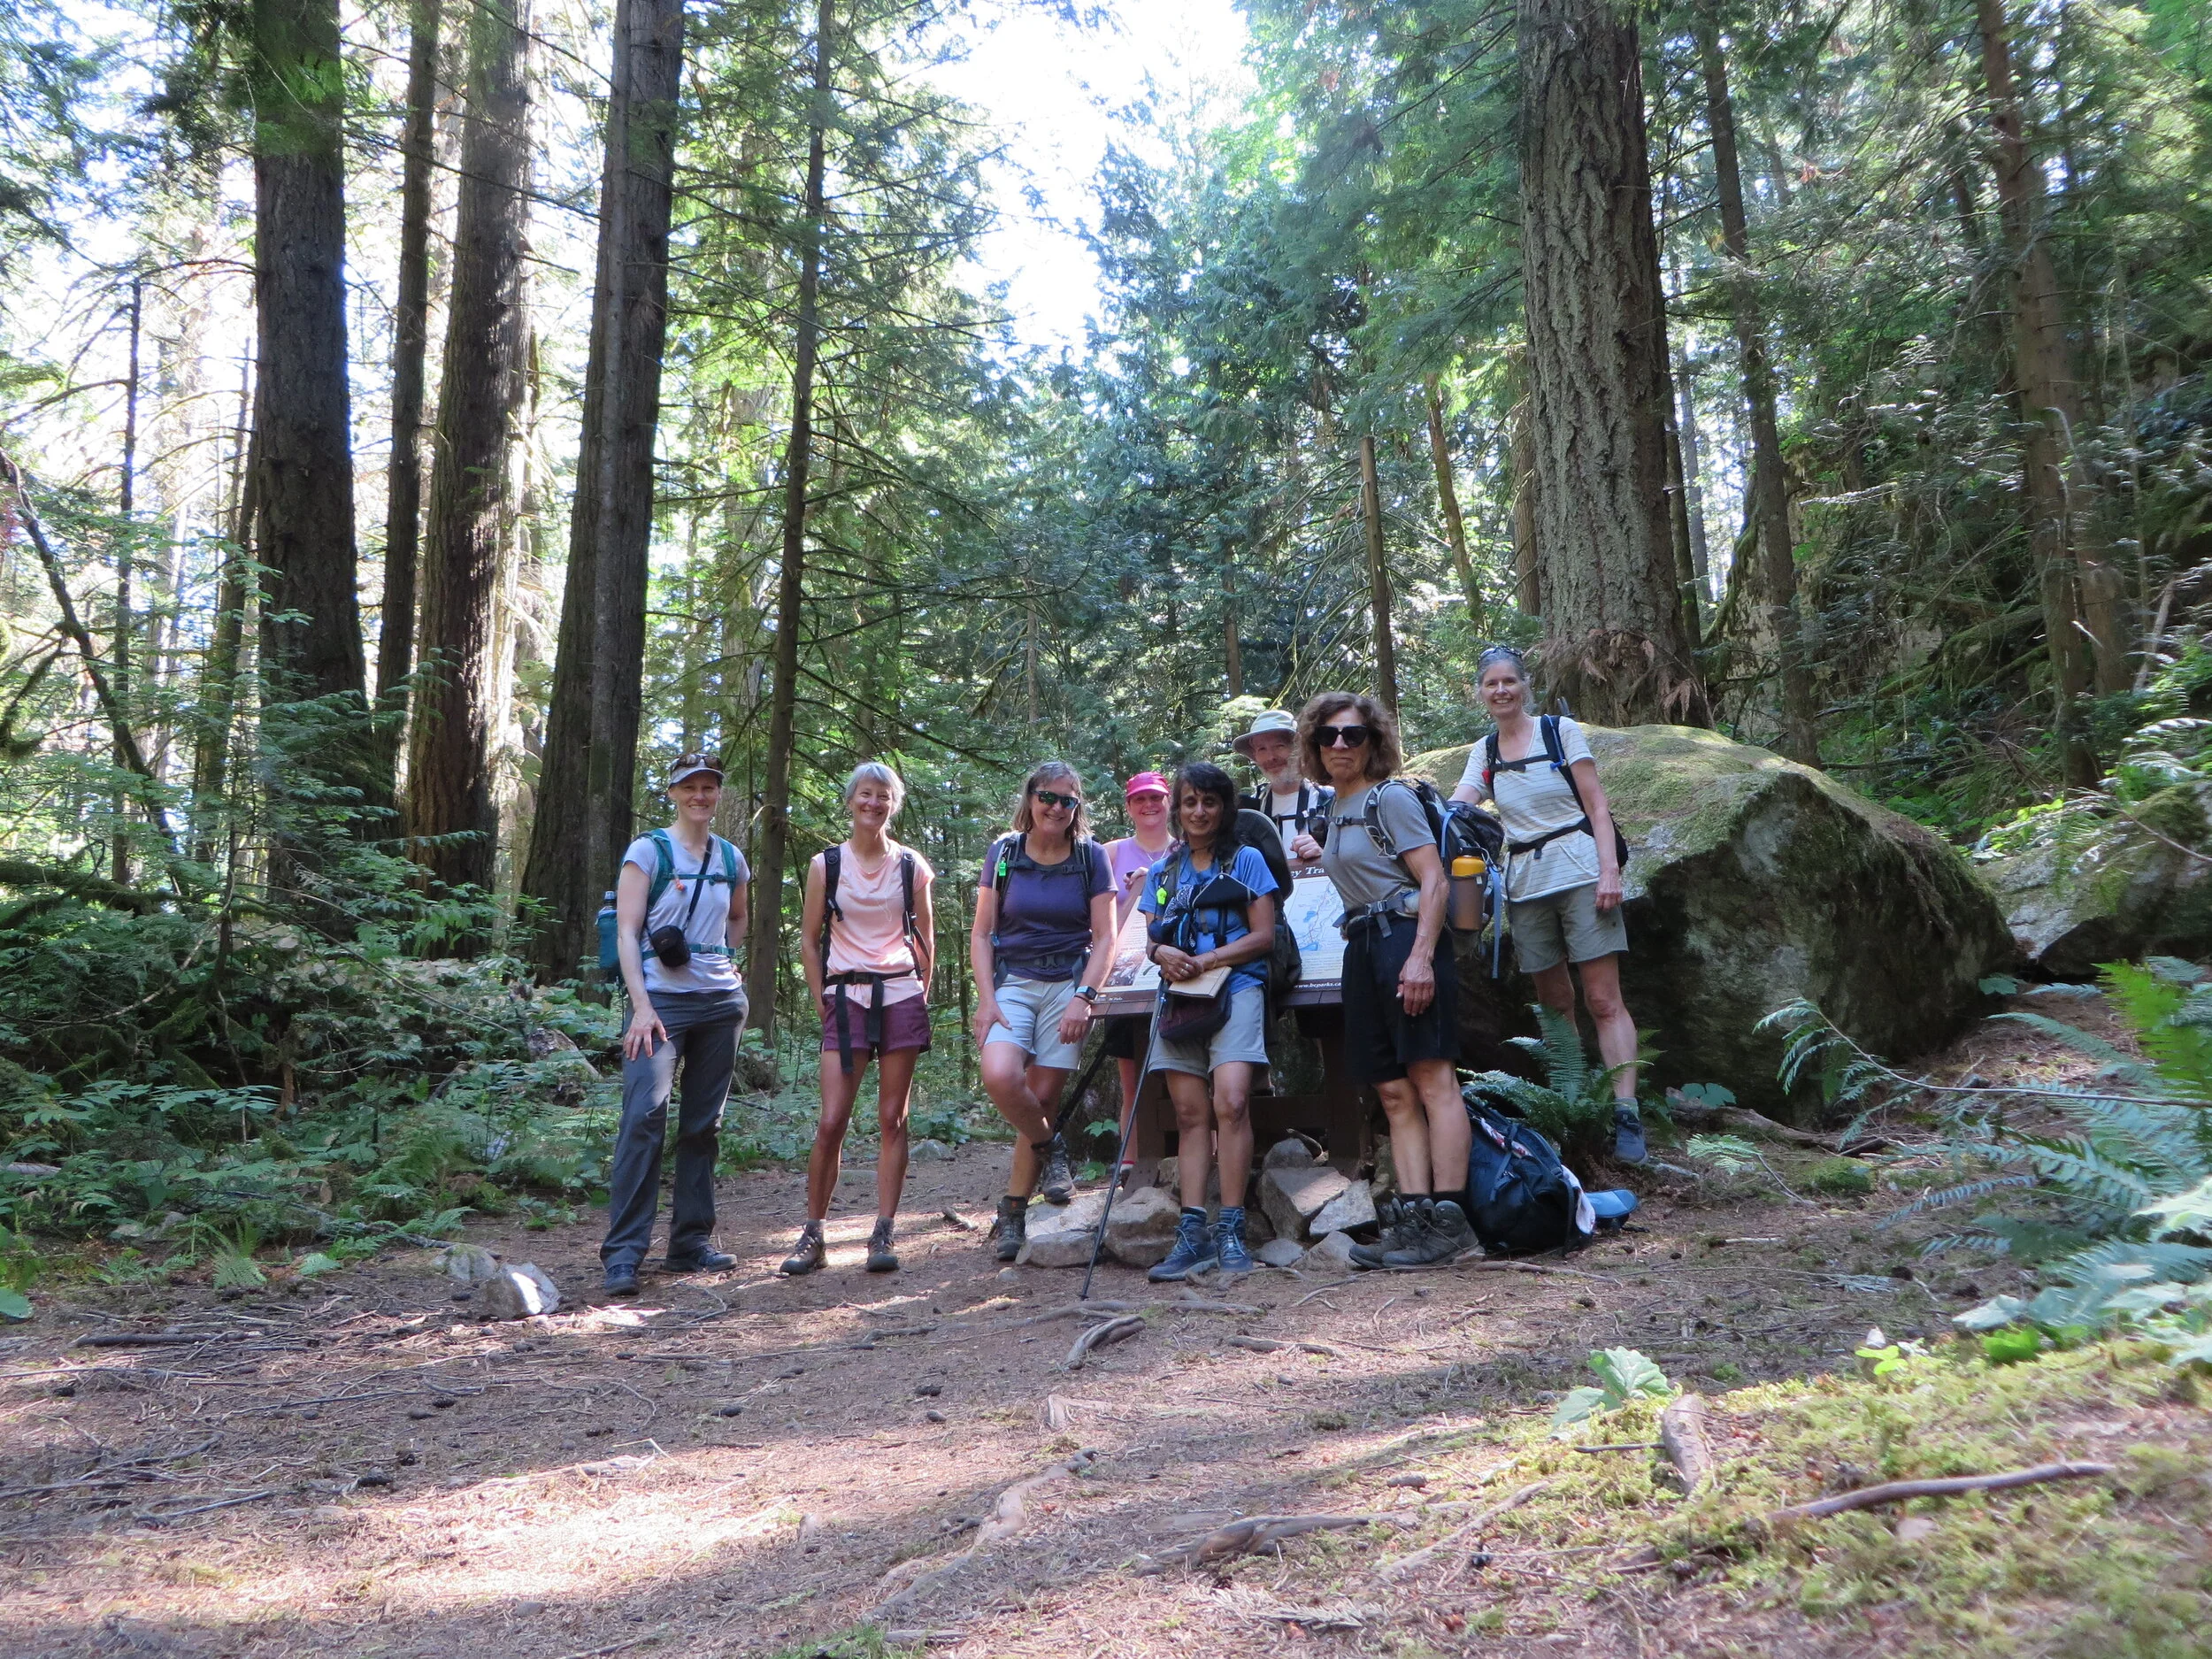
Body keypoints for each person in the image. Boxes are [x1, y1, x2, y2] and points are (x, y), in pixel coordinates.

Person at [1294, 693, 1477, 1269]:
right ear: (1314, 746)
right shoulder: (1334, 808)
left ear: (1373, 742)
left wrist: (1420, 958)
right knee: (1392, 1091)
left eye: (1353, 734)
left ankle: (1451, 1221)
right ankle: (1413, 1222)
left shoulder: (1390, 797)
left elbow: (1434, 881)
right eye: (1328, 736)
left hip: (1404, 938)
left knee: (1432, 1078)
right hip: (1362, 945)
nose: (1340, 745)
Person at [1451, 645, 1646, 1163]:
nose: (1501, 691)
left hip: (1581, 873)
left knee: (1603, 1000)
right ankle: (1573, 1106)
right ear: (1480, 692)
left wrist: (1609, 870)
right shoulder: (1485, 751)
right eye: (1491, 684)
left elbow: (1596, 804)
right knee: (1556, 1004)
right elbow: (1458, 807)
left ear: (1524, 686)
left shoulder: (1559, 732)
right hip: (1526, 885)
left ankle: (1625, 1112)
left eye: (1509, 681)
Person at [601, 754, 751, 1298]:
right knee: (644, 1118)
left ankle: (690, 1242)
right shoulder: (648, 851)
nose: (700, 796)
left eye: (709, 787)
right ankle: (623, 1255)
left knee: (703, 1125)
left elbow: (739, 916)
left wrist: (726, 959)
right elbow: (626, 932)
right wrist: (641, 1006)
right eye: (690, 787)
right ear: (672, 793)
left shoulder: (731, 857)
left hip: (721, 1004)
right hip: (660, 1004)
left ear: (718, 793)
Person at [783, 763, 938, 1277]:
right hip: (845, 996)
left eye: (884, 796)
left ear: (894, 805)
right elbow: (809, 939)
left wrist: (918, 993)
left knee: (893, 1117)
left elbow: (925, 940)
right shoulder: (826, 865)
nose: (874, 804)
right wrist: (821, 996)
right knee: (832, 1120)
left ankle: (884, 1230)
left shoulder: (911, 865)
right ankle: (814, 1233)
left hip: (899, 993)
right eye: (866, 794)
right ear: (851, 800)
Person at [970, 762, 1118, 1261]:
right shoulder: (1005, 852)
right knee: (1001, 1075)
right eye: (1047, 797)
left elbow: (1106, 938)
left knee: (1043, 1097)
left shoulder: (1091, 857)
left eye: (1067, 800)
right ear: (1030, 798)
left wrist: (1085, 997)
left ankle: (1013, 1212)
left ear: (1077, 807)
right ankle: (1053, 1147)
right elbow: (981, 933)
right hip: (1013, 981)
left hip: (1067, 986)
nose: (1056, 807)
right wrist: (986, 999)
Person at [1138, 761, 1280, 1280]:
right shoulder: (1163, 872)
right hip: (1181, 998)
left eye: (1210, 802)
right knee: (1189, 1112)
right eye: (1190, 802)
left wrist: (1211, 959)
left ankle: (1232, 1228)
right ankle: (1192, 1232)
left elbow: (1264, 935)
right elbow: (1153, 938)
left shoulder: (1246, 860)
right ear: (1177, 808)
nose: (1199, 812)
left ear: (1224, 808)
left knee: (1232, 1102)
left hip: (1238, 987)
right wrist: (1163, 955)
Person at [1101, 772, 1175, 1185]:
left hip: (1177, 974)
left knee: (1192, 1074)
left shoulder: (1186, 849)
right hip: (1124, 979)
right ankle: (1130, 1163)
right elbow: (1099, 925)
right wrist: (1135, 893)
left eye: (1156, 798)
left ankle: (1202, 1156)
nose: (1149, 806)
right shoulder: (1110, 854)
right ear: (1128, 806)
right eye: (1140, 799)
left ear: (1169, 802)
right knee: (1131, 1078)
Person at [1233, 708, 1330, 866]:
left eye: (1279, 746)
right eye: (1262, 749)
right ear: (1255, 756)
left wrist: (1324, 855)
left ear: (1299, 748)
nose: (1271, 757)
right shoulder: (1249, 810)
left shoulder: (1329, 802)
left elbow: (1355, 863)